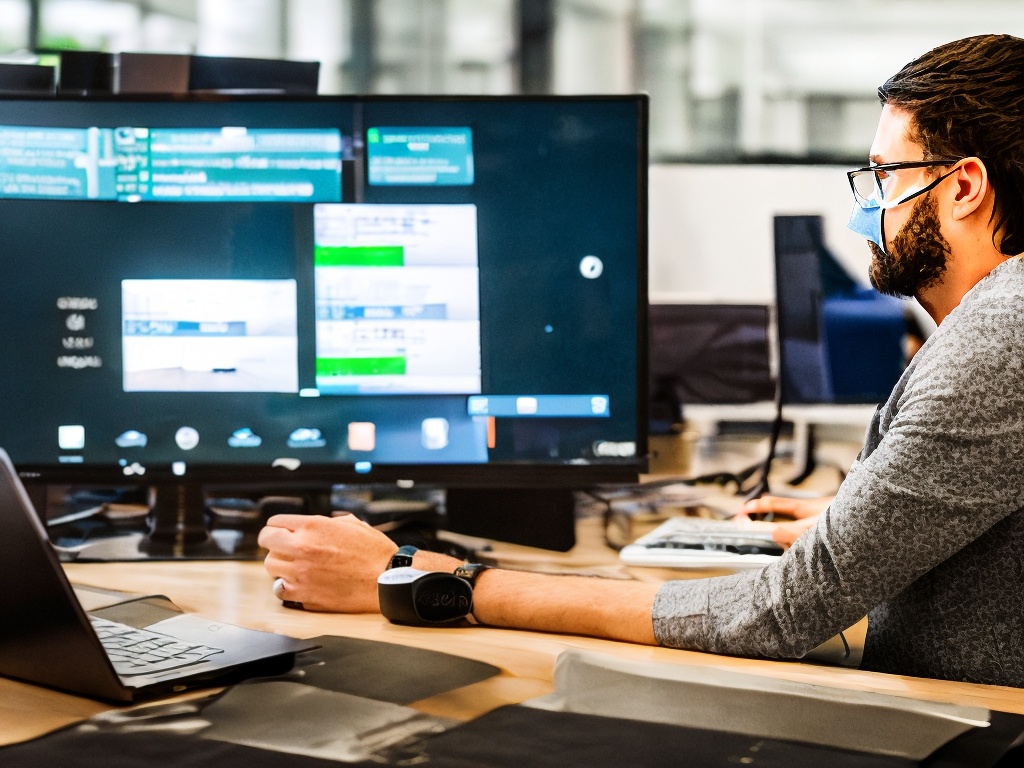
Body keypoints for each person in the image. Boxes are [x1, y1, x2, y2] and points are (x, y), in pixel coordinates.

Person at [259, 34, 1024, 688]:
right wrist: (857, 522)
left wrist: (442, 581)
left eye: (884, 176)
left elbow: (780, 612)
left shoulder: (998, 337)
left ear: (963, 186)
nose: (869, 206)